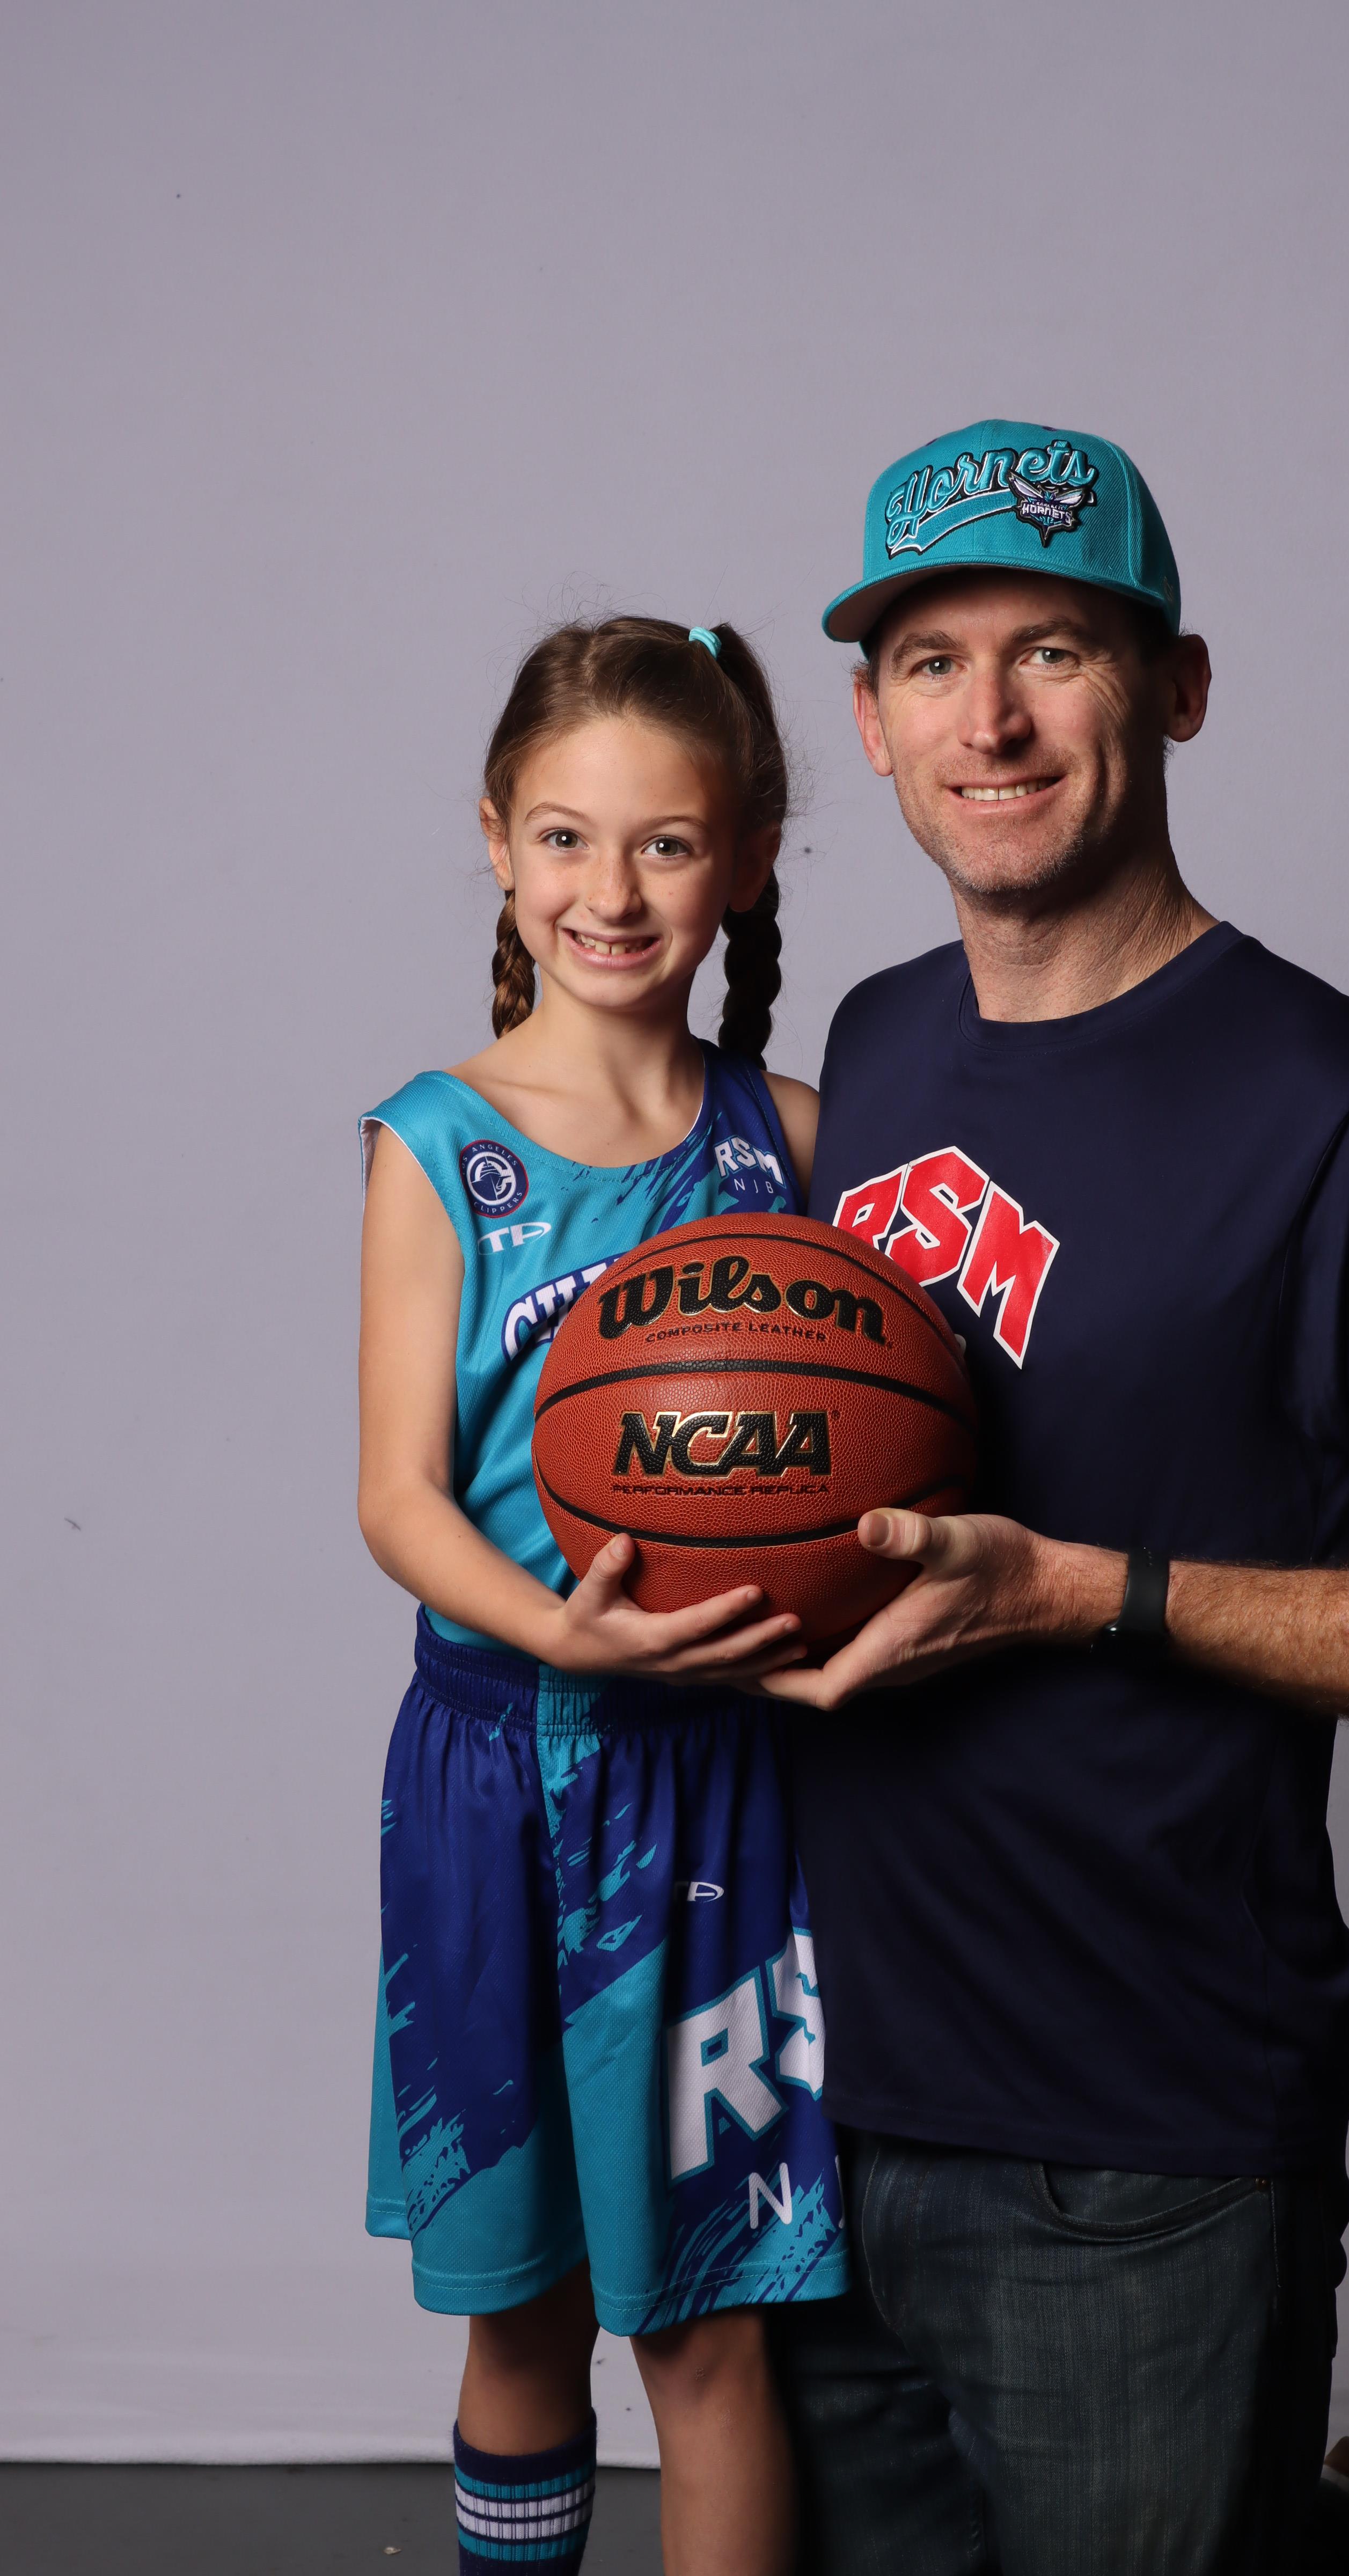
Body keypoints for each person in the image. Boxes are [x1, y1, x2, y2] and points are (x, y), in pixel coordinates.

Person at [763, 421, 1349, 2575]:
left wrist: (1080, 1590)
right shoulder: (874, 1043)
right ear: (867, 723)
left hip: (1136, 2140)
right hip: (813, 2095)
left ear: (1177, 688)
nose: (988, 720)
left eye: (1053, 652)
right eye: (933, 661)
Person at [357, 618, 843, 2576]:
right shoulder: (439, 1144)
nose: (610, 891)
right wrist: (558, 1629)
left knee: (712, 2326)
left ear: (747, 859)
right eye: (565, 839)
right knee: (522, 2311)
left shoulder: (787, 1141)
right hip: (493, 1765)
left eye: (666, 843)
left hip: (715, 1786)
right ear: (497, 843)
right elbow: (397, 1497)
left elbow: (896, 1456)